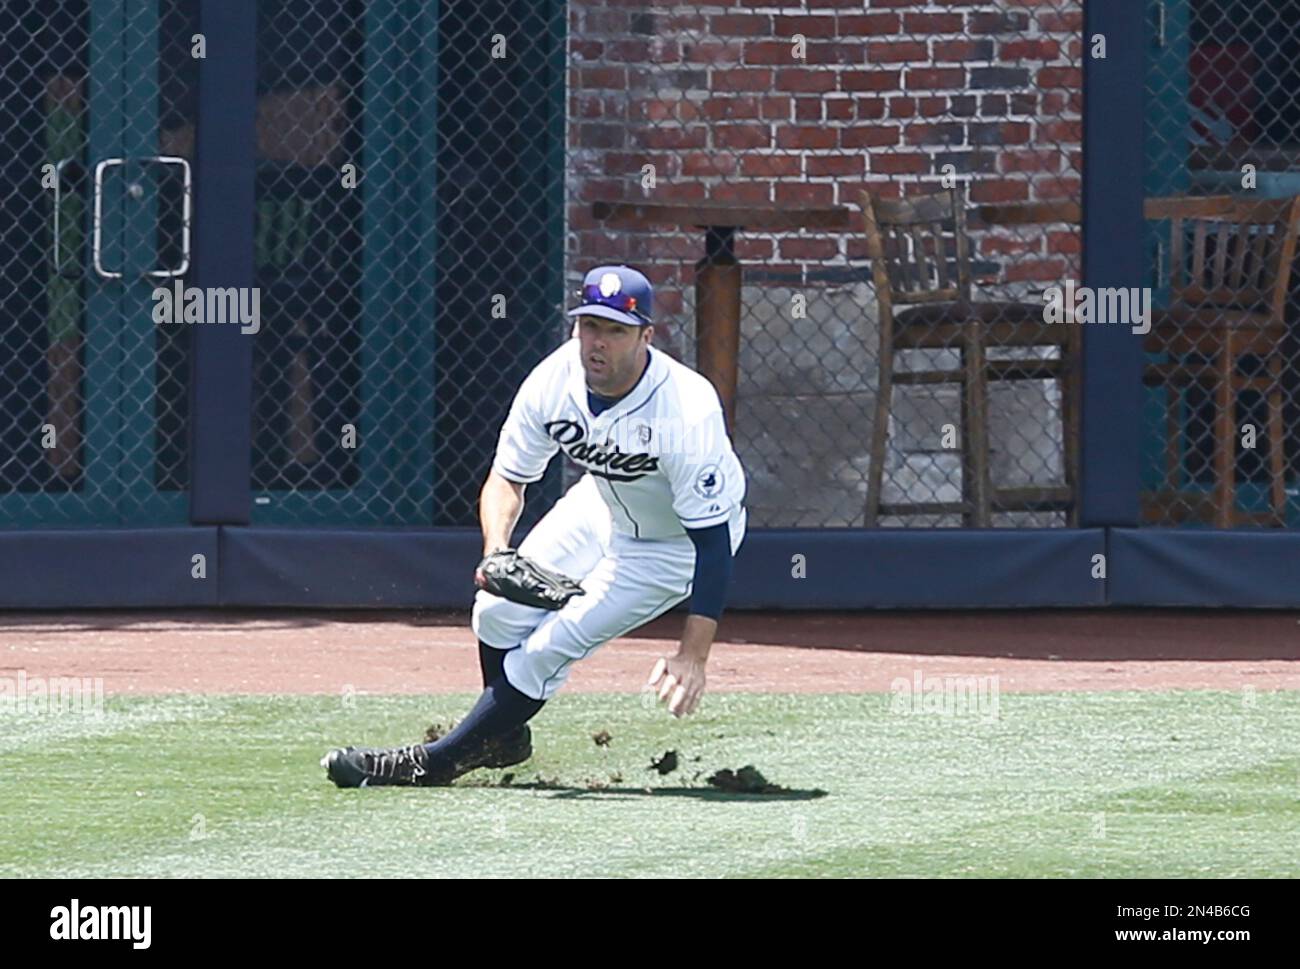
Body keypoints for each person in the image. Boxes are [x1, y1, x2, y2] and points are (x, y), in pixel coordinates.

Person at [323, 264, 747, 787]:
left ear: (646, 336)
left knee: (548, 647)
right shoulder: (556, 379)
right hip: (603, 502)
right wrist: (497, 551)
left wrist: (692, 656)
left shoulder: (685, 410)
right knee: (497, 611)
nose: (598, 342)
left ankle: (435, 762)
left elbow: (712, 543)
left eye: (616, 330)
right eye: (590, 325)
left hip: (674, 546)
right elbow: (507, 477)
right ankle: (501, 738)